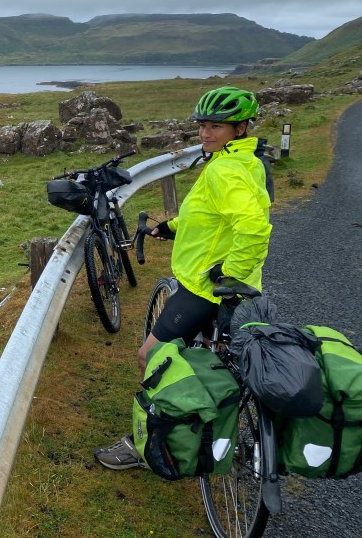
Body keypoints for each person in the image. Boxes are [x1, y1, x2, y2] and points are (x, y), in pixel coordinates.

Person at [94, 86, 273, 470]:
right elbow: (211, 216)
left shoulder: (224, 170)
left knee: (150, 357)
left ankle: (148, 444)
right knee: (216, 361)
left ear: (240, 128)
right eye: (202, 125)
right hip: (239, 290)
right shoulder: (245, 161)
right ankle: (209, 431)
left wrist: (230, 274)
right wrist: (172, 227)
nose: (205, 133)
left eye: (216, 126)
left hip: (206, 288)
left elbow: (254, 228)